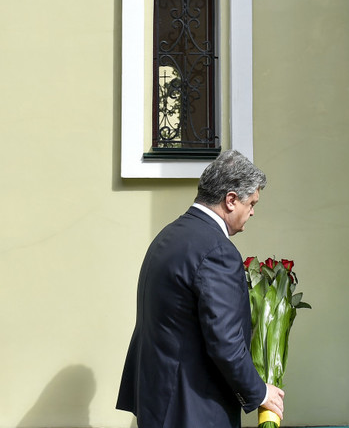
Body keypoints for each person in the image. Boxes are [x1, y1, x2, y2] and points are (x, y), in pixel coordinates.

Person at [116, 150, 284, 428]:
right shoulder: (218, 251)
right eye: (251, 203)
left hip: (158, 400)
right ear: (231, 200)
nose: (253, 211)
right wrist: (260, 392)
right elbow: (225, 342)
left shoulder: (168, 235)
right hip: (194, 408)